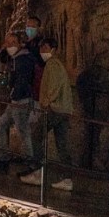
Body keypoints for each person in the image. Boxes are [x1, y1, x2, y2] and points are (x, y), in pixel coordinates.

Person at [21, 36, 74, 192]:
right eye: (41, 48)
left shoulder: (52, 64)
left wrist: (46, 102)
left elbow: (54, 87)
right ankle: (67, 179)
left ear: (53, 49)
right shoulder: (56, 64)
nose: (42, 51)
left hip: (55, 109)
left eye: (45, 48)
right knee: (62, 144)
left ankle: (38, 172)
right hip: (64, 110)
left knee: (36, 135)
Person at [0, 32, 38, 173]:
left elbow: (22, 81)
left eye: (13, 43)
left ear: (20, 44)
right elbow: (3, 59)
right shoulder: (16, 58)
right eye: (8, 43)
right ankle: (4, 157)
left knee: (23, 131)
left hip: (20, 100)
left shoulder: (22, 60)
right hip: (15, 100)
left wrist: (13, 96)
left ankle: (31, 165)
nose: (10, 46)